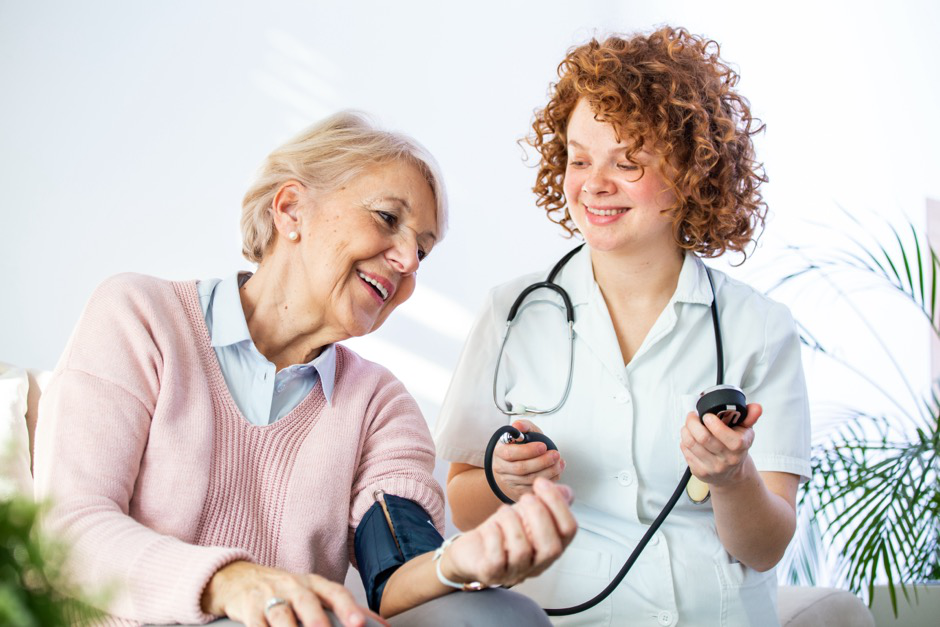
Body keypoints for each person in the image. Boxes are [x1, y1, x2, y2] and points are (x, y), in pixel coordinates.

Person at [33, 112, 576, 626]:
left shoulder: (379, 405)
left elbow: (394, 566)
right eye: (388, 218)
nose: (408, 263)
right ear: (291, 209)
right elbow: (68, 534)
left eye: (422, 251)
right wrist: (233, 583)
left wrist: (456, 563)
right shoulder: (141, 317)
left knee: (506, 616)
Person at [434, 27, 811, 626]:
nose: (594, 184)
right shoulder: (512, 312)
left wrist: (732, 477)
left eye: (627, 162)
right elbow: (461, 504)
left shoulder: (758, 327)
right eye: (579, 159)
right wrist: (505, 483)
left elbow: (765, 547)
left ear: (691, 172)